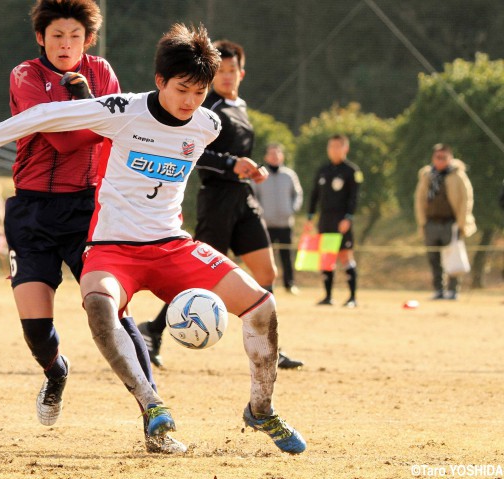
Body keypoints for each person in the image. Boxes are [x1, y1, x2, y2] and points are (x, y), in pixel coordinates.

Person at [0, 23, 307, 455]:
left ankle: (261, 409)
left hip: (172, 245)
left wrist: (239, 164)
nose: (189, 102)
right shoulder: (122, 109)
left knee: (262, 305)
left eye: (199, 93)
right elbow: (45, 116)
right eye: (181, 90)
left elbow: (204, 152)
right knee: (100, 307)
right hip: (112, 249)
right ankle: (152, 407)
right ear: (159, 81)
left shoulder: (208, 123)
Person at [0, 0, 172, 453]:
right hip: (33, 211)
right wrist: (90, 107)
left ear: (88, 40)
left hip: (89, 211)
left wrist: (92, 106)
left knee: (112, 312)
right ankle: (56, 372)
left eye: (74, 36)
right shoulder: (26, 76)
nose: (65, 44)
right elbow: (61, 135)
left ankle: (153, 412)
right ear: (41, 37)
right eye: (56, 35)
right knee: (36, 328)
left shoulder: (102, 71)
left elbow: (120, 130)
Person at [138, 39, 303, 371]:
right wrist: (231, 164)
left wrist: (248, 168)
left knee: (267, 272)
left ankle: (269, 346)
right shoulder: (205, 109)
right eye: (221, 71)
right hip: (217, 200)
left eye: (232, 70)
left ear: (242, 72)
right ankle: (152, 331)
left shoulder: (239, 107)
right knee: (196, 279)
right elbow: (192, 151)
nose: (227, 77)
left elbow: (235, 155)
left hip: (243, 198)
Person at [305, 134, 362, 308]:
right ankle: (328, 296)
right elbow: (314, 195)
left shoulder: (352, 171)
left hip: (341, 220)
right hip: (325, 219)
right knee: (327, 257)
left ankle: (352, 297)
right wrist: (310, 217)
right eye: (331, 146)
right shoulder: (323, 170)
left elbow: (354, 197)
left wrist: (348, 217)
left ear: (346, 148)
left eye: (338, 146)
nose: (333, 150)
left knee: (345, 256)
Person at [415, 144, 476, 300]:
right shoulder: (427, 175)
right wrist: (422, 221)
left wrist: (462, 222)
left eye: (444, 157)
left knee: (453, 256)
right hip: (431, 222)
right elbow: (420, 199)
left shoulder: (458, 175)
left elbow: (466, 200)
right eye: (437, 157)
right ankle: (439, 290)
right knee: (434, 258)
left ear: (450, 158)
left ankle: (453, 290)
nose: (440, 160)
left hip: (451, 222)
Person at [252, 143, 303, 295]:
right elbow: (253, 196)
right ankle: (266, 286)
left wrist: (292, 209)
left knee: (287, 256)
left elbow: (298, 194)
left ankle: (290, 284)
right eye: (271, 154)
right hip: (265, 224)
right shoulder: (259, 175)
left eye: (277, 153)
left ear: (282, 156)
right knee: (267, 258)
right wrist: (259, 212)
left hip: (285, 224)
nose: (274, 157)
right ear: (266, 156)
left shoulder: (289, 175)